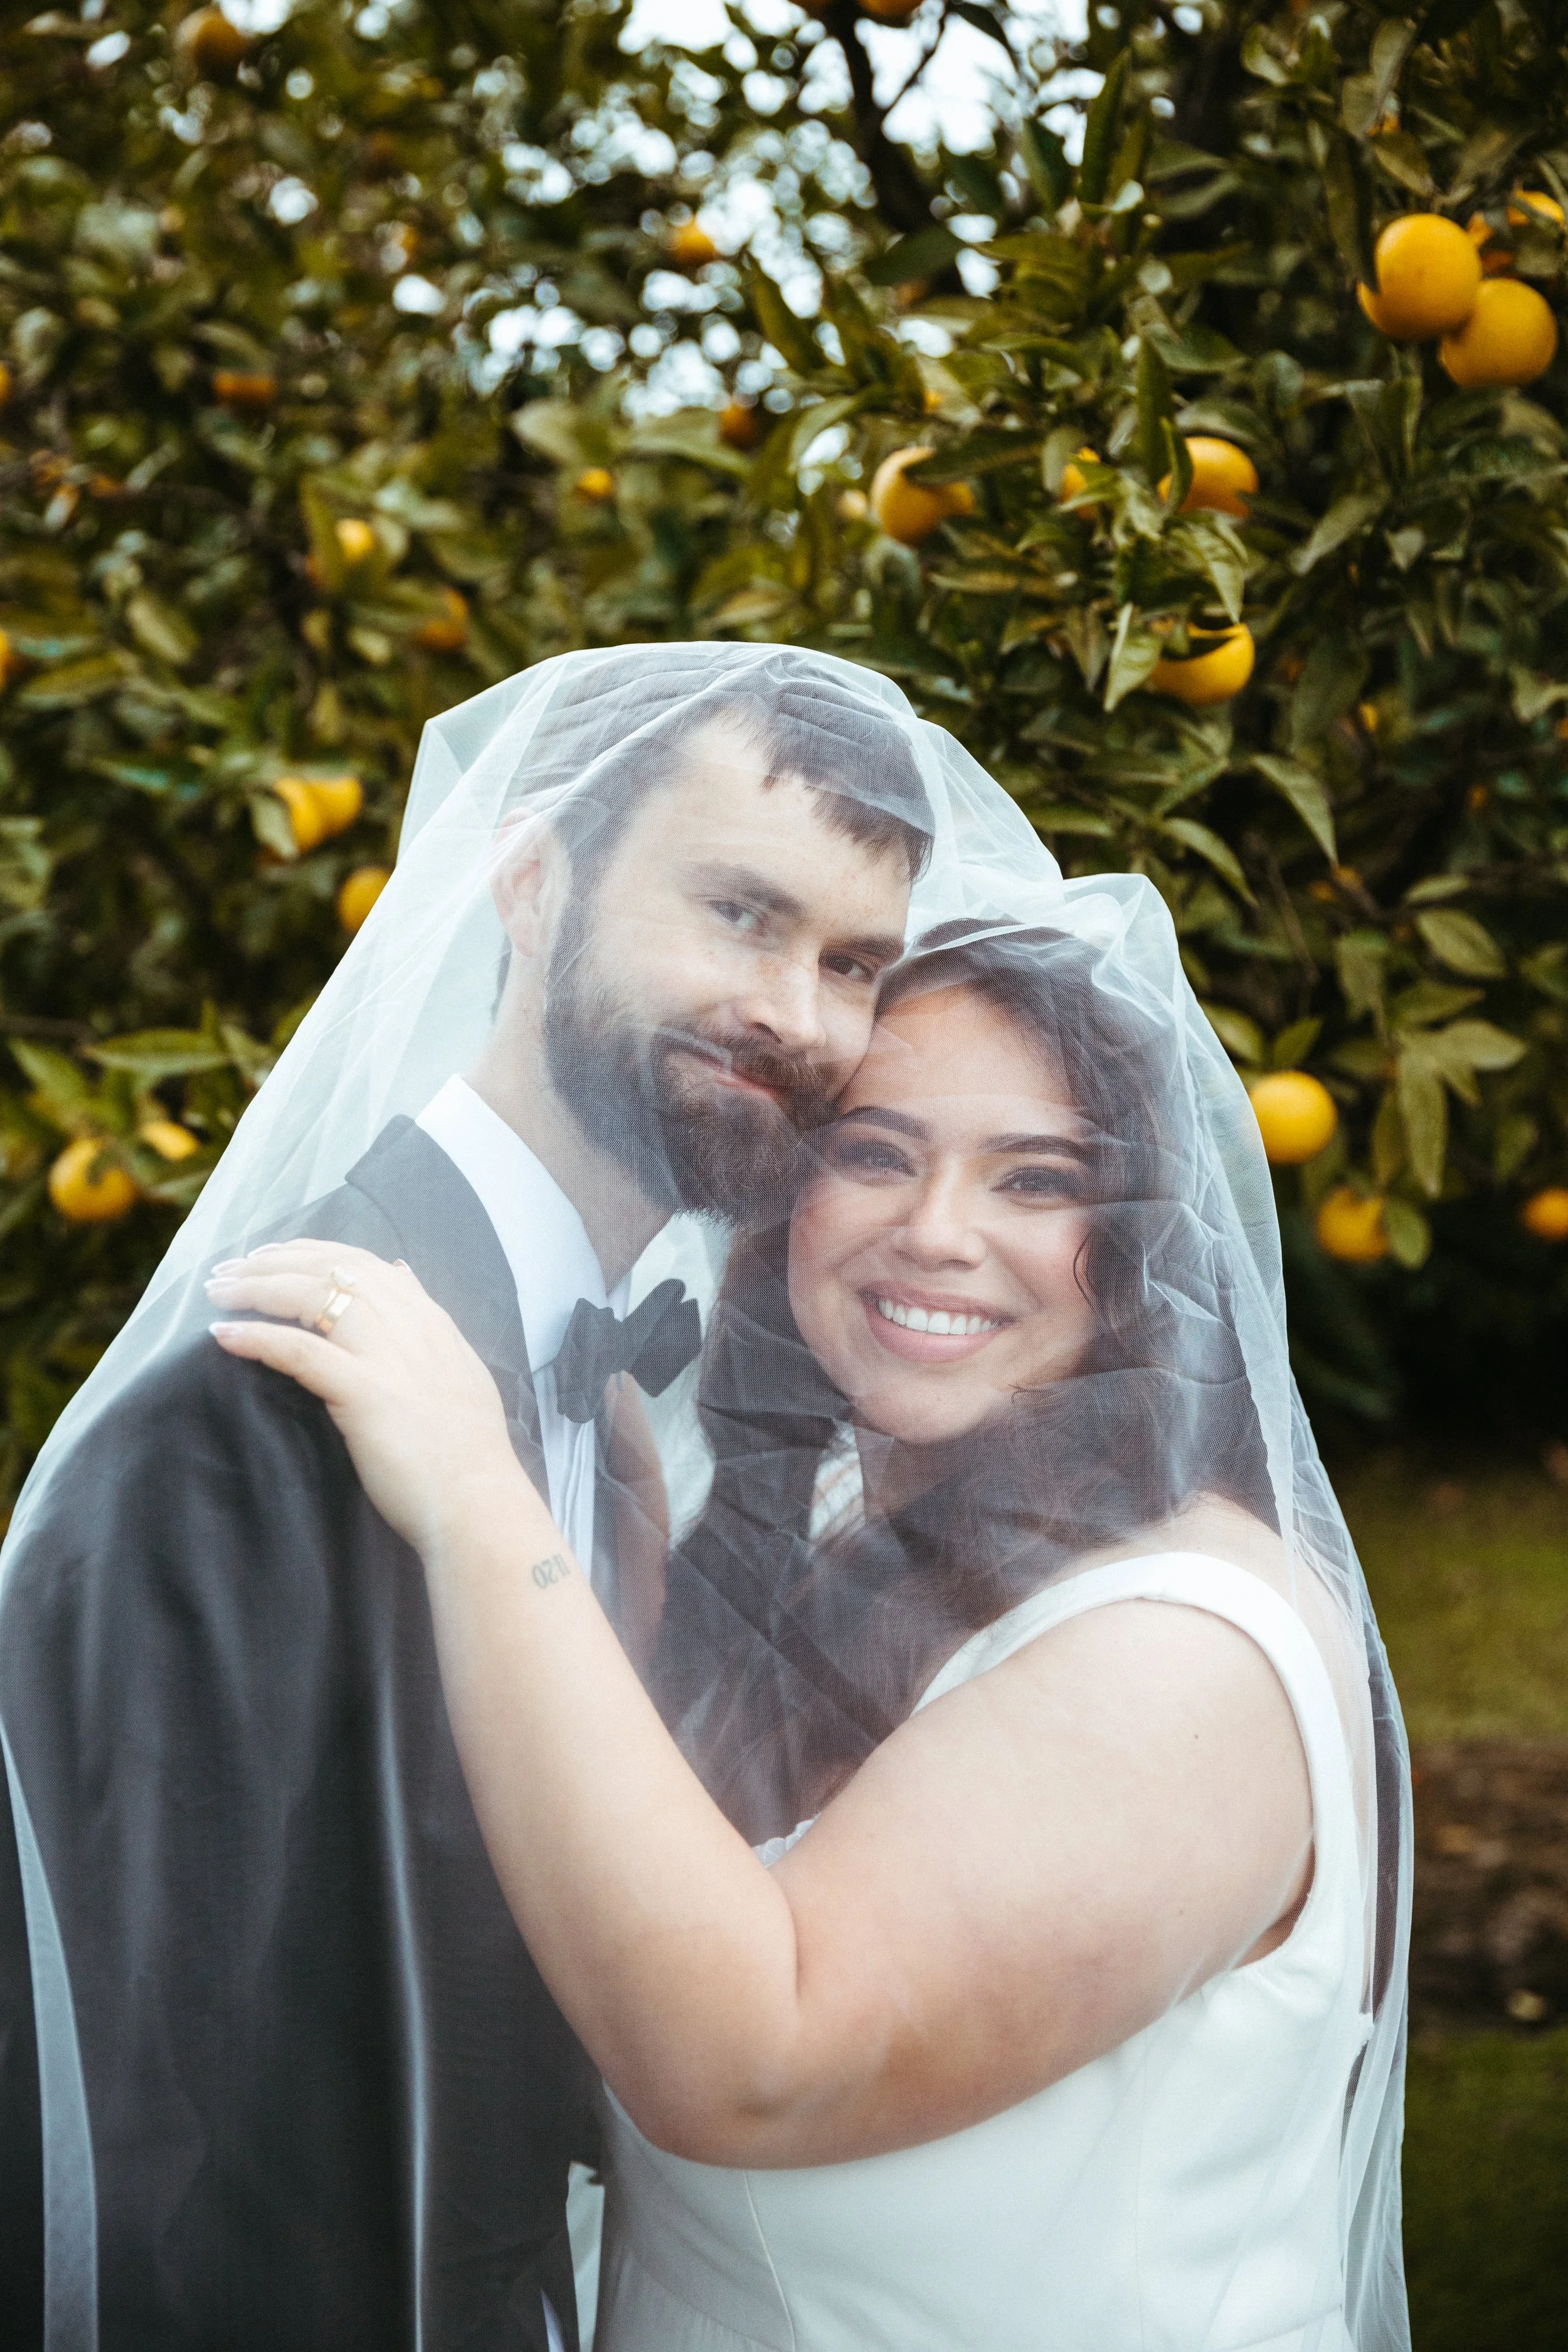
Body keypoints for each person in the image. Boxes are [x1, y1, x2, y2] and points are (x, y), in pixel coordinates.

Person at [202, 887, 1412, 2347]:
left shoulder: (1183, 1653)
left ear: (1137, 1239)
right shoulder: (863, 1543)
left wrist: (479, 1501)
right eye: (873, 1152)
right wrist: (620, 1593)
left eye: (1034, 1181)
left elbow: (751, 2060)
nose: (934, 1233)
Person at [0, 646, 931, 2352]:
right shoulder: (256, 1411)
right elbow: (129, 2134)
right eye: (739, 912)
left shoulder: (624, 1392)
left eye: (852, 959)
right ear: (529, 881)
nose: (800, 1014)